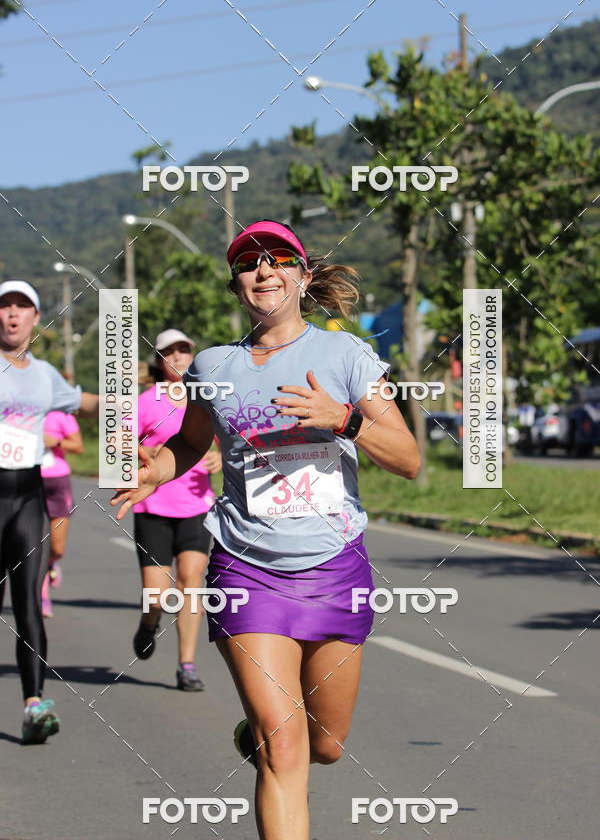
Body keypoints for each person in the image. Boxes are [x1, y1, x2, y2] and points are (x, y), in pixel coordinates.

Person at [112, 221, 420, 840]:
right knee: (283, 745)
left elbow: (408, 459)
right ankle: (267, 732)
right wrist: (156, 472)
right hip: (245, 568)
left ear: (303, 276)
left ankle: (262, 732)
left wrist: (344, 420)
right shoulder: (213, 365)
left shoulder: (345, 354)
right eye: (248, 263)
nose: (263, 270)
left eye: (278, 258)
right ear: (236, 286)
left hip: (334, 568)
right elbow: (190, 442)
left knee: (325, 745)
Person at [0, 280, 99, 744]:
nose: (12, 314)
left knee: (28, 606)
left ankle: (34, 706)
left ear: (36, 318)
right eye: (5, 306)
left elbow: (85, 403)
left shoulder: (44, 375)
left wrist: (130, 397)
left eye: (22, 307)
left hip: (27, 498)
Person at [132, 329, 221, 691]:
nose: (179, 356)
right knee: (157, 594)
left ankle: (187, 665)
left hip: (196, 506)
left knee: (190, 583)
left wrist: (218, 457)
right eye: (170, 351)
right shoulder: (146, 401)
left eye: (184, 350)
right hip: (153, 506)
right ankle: (149, 622)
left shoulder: (206, 397)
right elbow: (117, 445)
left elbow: (226, 439)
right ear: (159, 360)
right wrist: (146, 455)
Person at [40, 410, 84, 618]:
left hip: (57, 483)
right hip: (29, 482)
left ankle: (52, 563)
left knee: (57, 548)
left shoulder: (61, 414)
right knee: (35, 547)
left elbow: (78, 446)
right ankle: (42, 595)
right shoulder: (19, 411)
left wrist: (55, 441)